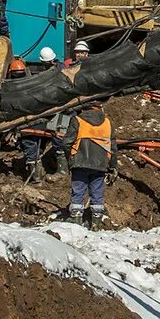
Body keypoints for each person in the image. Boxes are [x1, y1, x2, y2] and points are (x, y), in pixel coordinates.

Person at [62, 102, 115, 229]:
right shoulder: (107, 123)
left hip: (80, 162)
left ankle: (76, 221)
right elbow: (113, 147)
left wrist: (70, 157)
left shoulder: (78, 120)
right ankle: (95, 224)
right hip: (101, 163)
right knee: (97, 193)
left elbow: (66, 142)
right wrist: (113, 166)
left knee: (78, 191)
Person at [17, 47, 62, 182]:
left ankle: (42, 172)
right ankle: (38, 172)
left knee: (56, 136)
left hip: (53, 112)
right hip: (48, 113)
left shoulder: (50, 75)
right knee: (32, 136)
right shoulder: (59, 71)